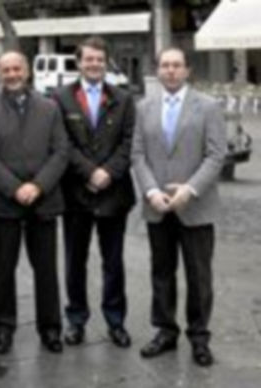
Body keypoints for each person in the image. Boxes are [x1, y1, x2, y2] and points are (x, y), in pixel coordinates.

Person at [131, 47, 226, 367]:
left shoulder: (208, 106)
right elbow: (137, 155)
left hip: (196, 207)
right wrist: (150, 191)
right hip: (158, 206)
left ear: (187, 70)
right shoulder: (143, 108)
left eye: (176, 65)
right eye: (165, 65)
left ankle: (199, 337)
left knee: (199, 276)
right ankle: (165, 331)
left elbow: (216, 155)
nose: (170, 70)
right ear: (157, 70)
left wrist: (191, 189)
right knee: (161, 272)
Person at [0, 51, 69, 355]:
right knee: (3, 269)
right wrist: (15, 188)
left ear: (27, 71)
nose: (12, 74)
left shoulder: (50, 107)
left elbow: (61, 151)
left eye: (17, 69)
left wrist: (38, 186)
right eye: (6, 70)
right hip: (4, 203)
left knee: (46, 270)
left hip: (44, 201)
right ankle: (3, 327)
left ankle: (50, 328)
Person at [53, 37, 135, 348]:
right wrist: (89, 172)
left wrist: (108, 173)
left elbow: (129, 142)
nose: (94, 64)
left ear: (106, 63)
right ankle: (76, 320)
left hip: (114, 193)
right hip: (76, 194)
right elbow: (62, 143)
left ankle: (116, 321)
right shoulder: (60, 98)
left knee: (113, 263)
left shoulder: (124, 98)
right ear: (78, 62)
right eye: (89, 59)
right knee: (75, 261)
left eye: (100, 59)